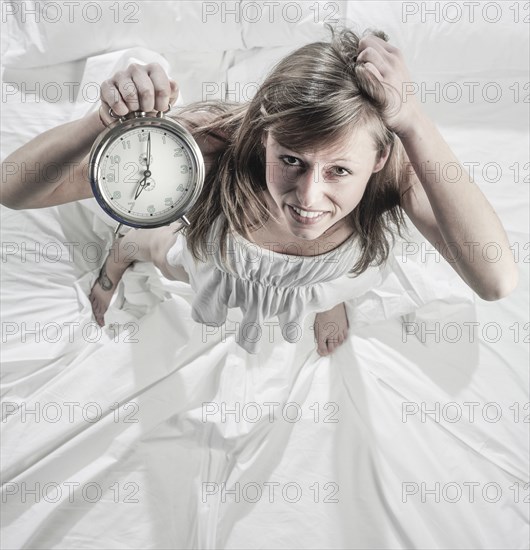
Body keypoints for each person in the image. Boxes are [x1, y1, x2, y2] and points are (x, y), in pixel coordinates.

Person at [0, 25, 518, 356]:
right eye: (290, 160)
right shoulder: (215, 141)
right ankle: (125, 249)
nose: (308, 198)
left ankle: (321, 300)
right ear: (264, 134)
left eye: (339, 171)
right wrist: (103, 119)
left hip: (328, 278)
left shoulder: (393, 169)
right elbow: (11, 189)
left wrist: (411, 119)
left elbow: (495, 279)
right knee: (153, 245)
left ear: (378, 158)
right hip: (211, 262)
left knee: (332, 288)